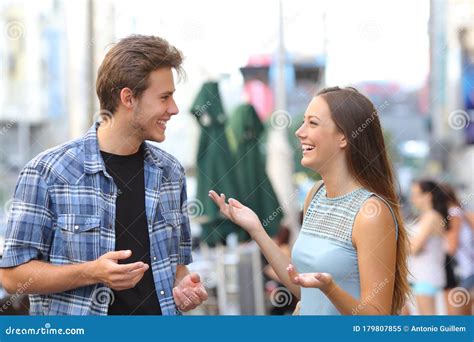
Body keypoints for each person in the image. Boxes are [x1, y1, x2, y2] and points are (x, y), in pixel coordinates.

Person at [0, 35, 207, 315]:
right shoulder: (48, 173)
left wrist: (184, 285)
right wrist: (91, 273)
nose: (174, 109)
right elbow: (12, 277)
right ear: (128, 98)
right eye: (164, 97)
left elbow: (177, 268)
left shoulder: (170, 173)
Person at [210, 86, 410, 315]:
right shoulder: (315, 195)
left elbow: (377, 318)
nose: (299, 131)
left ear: (344, 136)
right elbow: (302, 286)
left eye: (312, 123)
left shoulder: (371, 213)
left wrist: (330, 289)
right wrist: (256, 230)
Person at [407, 180, 447, 315]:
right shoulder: (425, 217)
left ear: (428, 196)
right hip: (420, 276)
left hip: (427, 276)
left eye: (416, 194)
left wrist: (407, 244)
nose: (412, 198)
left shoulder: (431, 216)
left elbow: (413, 248)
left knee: (428, 325)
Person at [443, 184, 473, 315]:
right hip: (469, 268)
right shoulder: (462, 211)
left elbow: (451, 247)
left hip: (465, 271)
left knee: (458, 317)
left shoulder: (453, 214)